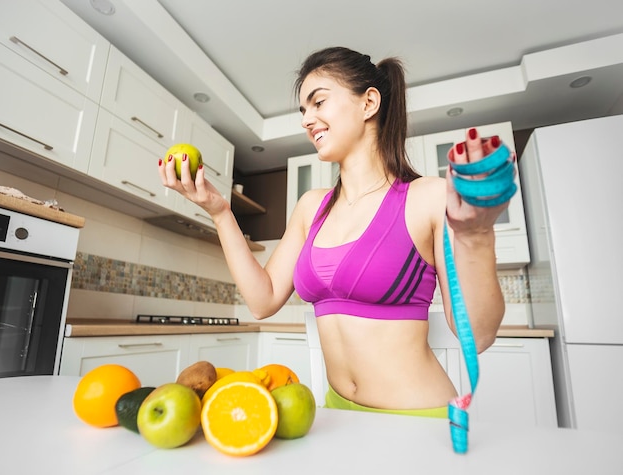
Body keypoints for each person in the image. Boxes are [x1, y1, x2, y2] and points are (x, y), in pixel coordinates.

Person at [159, 46, 508, 417]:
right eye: (303, 110)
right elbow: (263, 301)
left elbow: (479, 336)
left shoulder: (428, 198)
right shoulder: (312, 207)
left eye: (318, 102)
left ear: (368, 103)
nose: (307, 119)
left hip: (418, 419)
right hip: (335, 413)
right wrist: (220, 212)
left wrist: (477, 236)